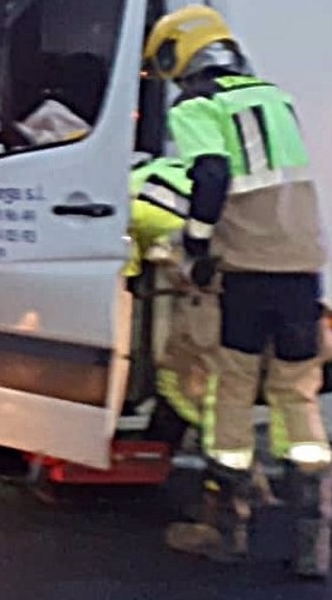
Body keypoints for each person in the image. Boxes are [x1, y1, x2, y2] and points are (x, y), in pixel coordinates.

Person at [143, 5, 332, 580]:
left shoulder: (199, 106)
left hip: (247, 271)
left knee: (232, 387)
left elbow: (210, 175)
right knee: (297, 392)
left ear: (182, 56)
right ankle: (312, 541)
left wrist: (197, 246)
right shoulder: (276, 99)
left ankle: (227, 529)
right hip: (302, 268)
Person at [125, 155, 217, 447]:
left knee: (178, 369)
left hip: (195, 273)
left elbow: (128, 273)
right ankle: (167, 436)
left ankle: (219, 446)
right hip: (232, 253)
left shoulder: (124, 200)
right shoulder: (168, 168)